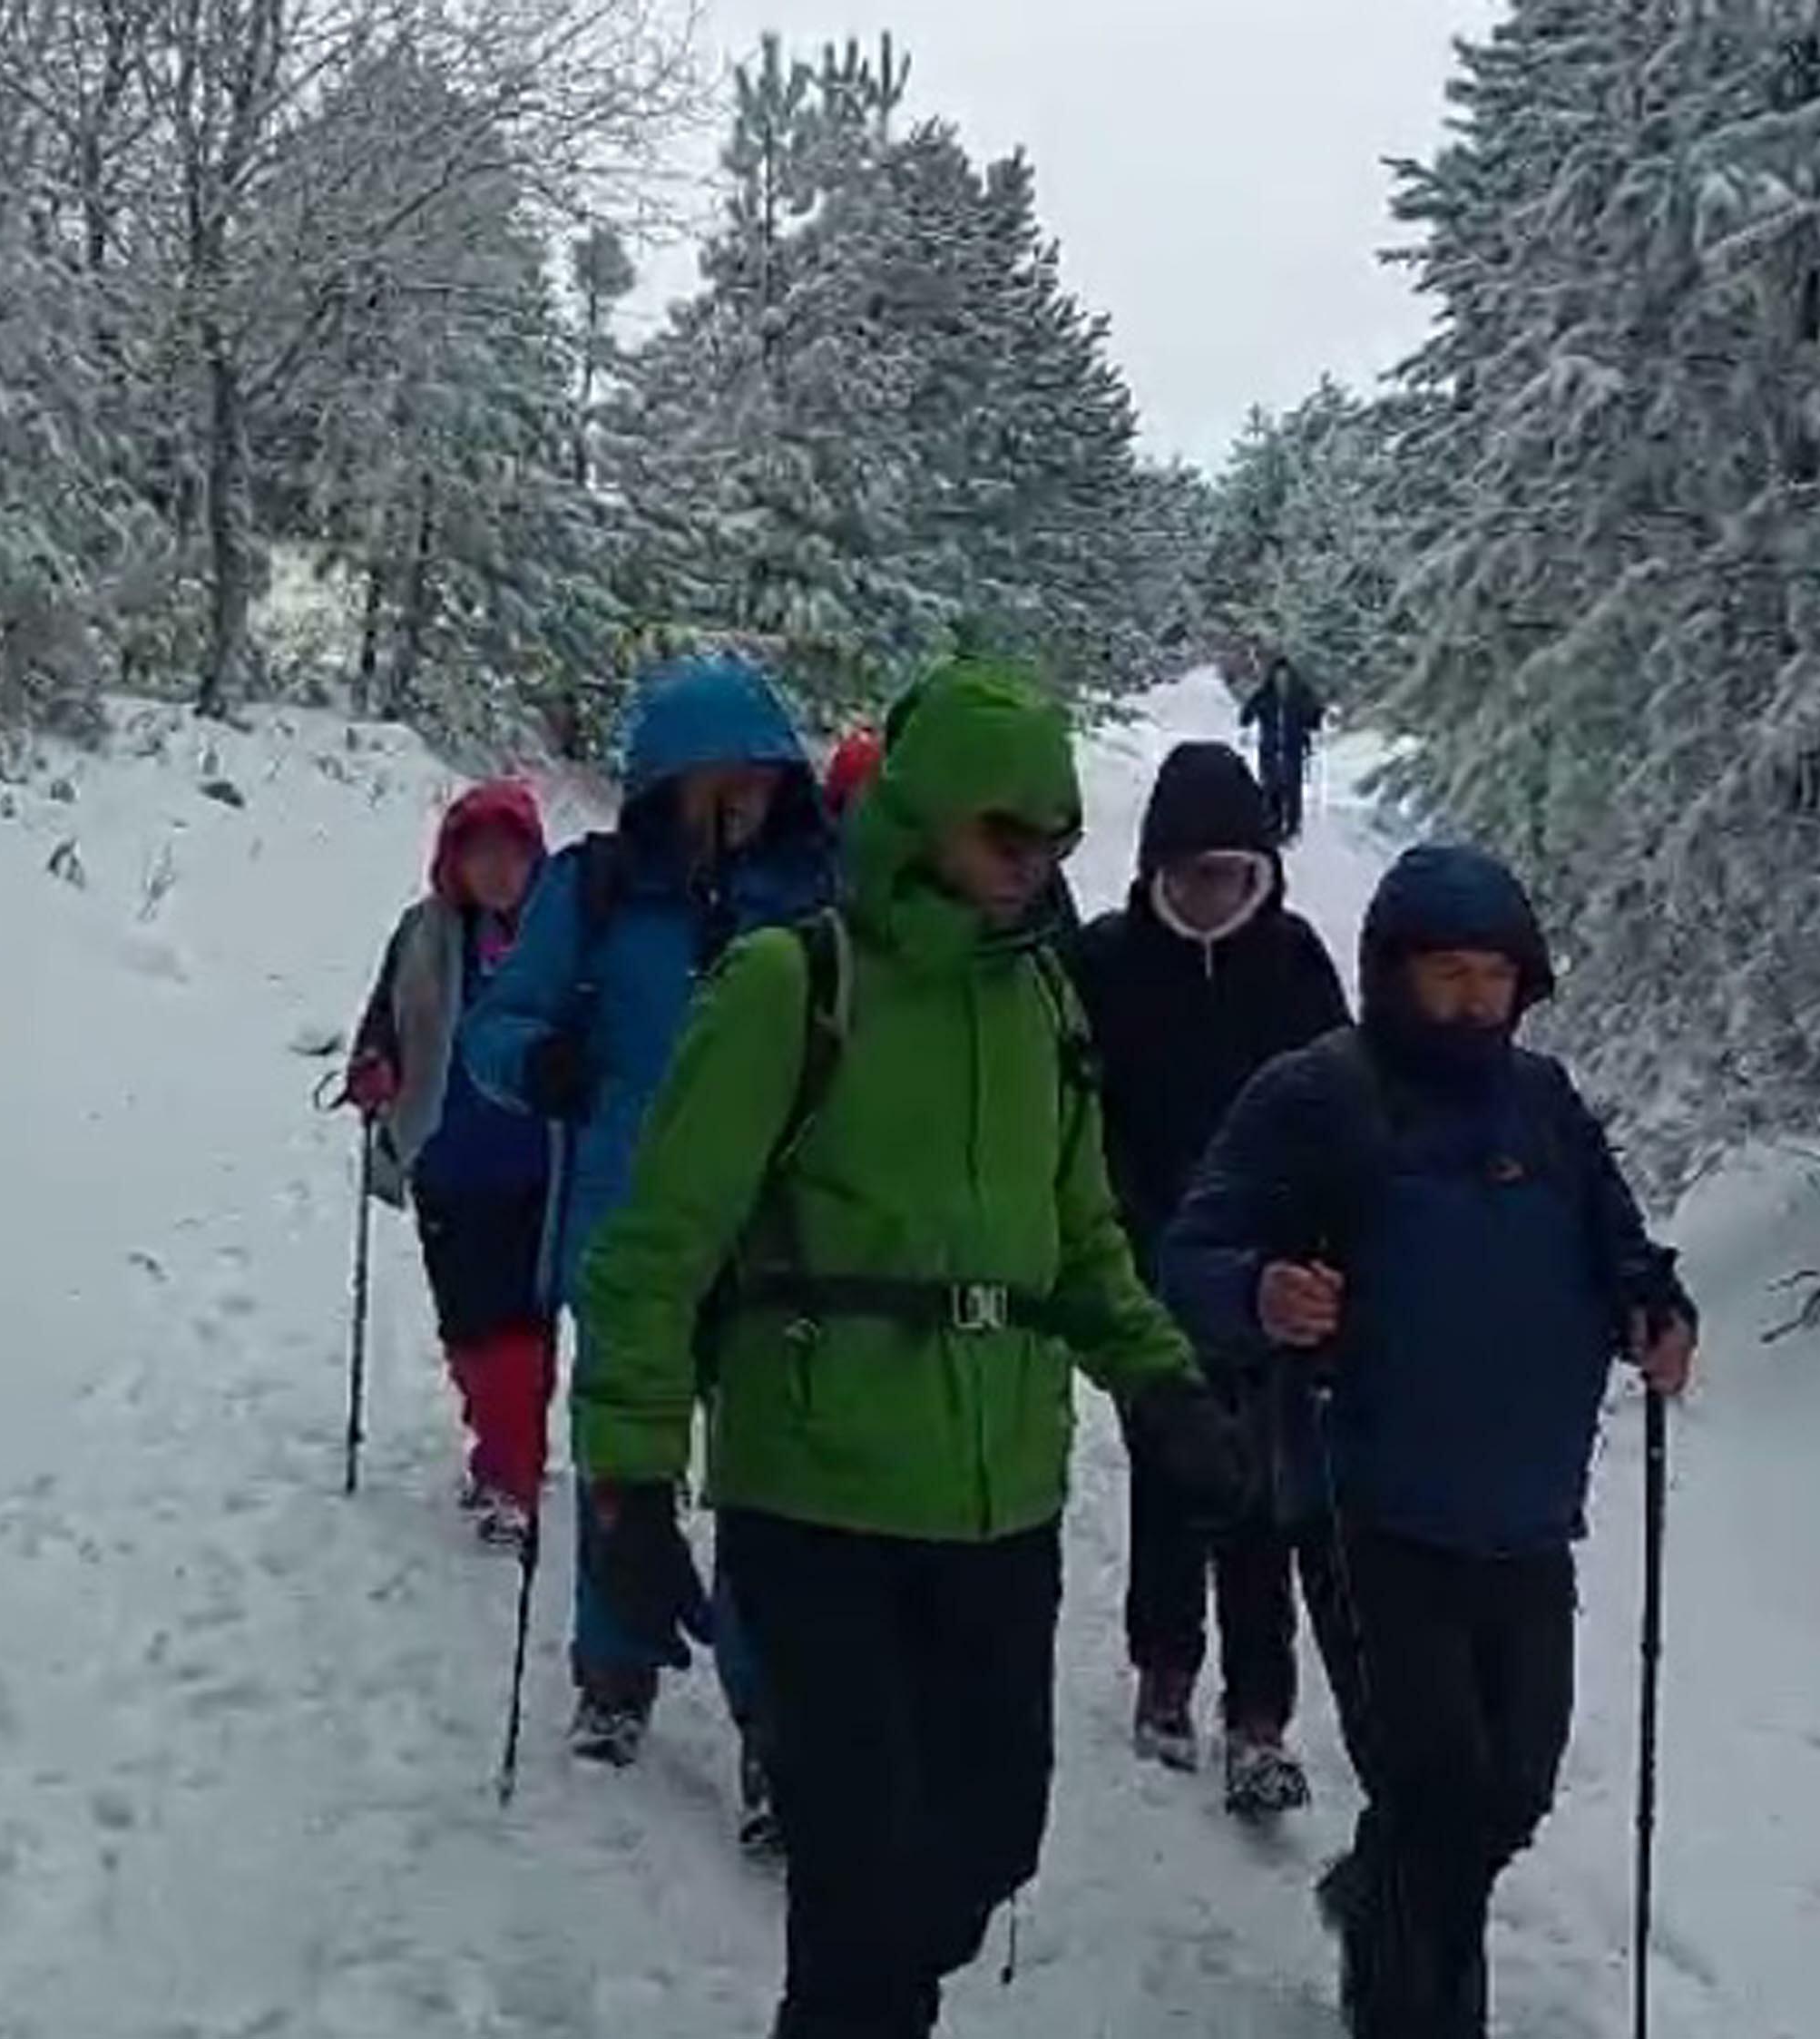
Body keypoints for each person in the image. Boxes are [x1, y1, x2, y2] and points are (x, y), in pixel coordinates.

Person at [575, 658, 1248, 2038]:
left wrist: (1160, 1375)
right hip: (815, 1490)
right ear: (927, 814)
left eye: (1055, 844)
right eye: (1007, 836)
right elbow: (657, 1247)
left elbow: (1083, 1236)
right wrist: (629, 1475)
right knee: (858, 1880)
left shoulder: (1044, 1005)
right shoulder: (788, 983)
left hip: (1003, 1498)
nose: (1031, 869)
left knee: (992, 1841)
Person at [1160, 841, 1698, 2039]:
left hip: (1524, 1509)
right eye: (1445, 972)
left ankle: (1376, 1898)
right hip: (1365, 1499)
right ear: (1391, 973)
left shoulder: (1545, 1103)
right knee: (1435, 1785)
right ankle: (1414, 2008)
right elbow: (1189, 1249)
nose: (1469, 998)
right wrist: (1261, 1292)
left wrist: (1657, 1311)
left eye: (1491, 975)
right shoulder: (1316, 1093)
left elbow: (1620, 1247)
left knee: (1509, 1785)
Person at [459, 649, 834, 1828]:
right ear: (662, 782)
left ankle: (777, 1726)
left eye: (756, 777)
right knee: (627, 1465)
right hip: (630, 1224)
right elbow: (496, 1024)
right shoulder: (599, 889)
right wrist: (539, 1061)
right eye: (710, 777)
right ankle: (613, 1669)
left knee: (770, 1488)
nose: (738, 800)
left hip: (776, 1235)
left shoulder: (819, 899)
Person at [1067, 741, 1349, 1814]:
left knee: (1267, 1501)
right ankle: (1165, 1673)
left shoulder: (1295, 965)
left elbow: (1345, 1109)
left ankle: (1261, 1719)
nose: (1211, 891)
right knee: (1171, 1475)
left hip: (1270, 1278)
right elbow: (1078, 1112)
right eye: (1190, 872)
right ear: (1155, 870)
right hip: (1146, 1263)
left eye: (1232, 871)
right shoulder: (1107, 963)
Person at [346, 781, 552, 1544]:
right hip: (446, 1157)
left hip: (537, 1163)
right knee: (467, 1326)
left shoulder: (559, 936)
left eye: (513, 853)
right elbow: (384, 1017)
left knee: (520, 1330)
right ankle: (497, 1445)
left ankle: (512, 1476)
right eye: (480, 853)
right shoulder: (422, 933)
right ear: (453, 861)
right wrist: (373, 1066)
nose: (498, 870)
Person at [1239, 653, 1326, 843]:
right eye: (1279, 676)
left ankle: (1292, 826)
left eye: (1285, 676)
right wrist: (1247, 717)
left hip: (1293, 747)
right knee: (1271, 786)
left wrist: (1315, 720)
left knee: (1292, 787)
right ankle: (1273, 825)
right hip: (1270, 747)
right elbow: (1248, 711)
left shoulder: (1300, 694)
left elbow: (1314, 713)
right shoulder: (1266, 694)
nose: (1282, 680)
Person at [822, 724, 884, 820]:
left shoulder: (850, 745)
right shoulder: (876, 751)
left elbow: (836, 766)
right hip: (854, 796)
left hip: (840, 790)